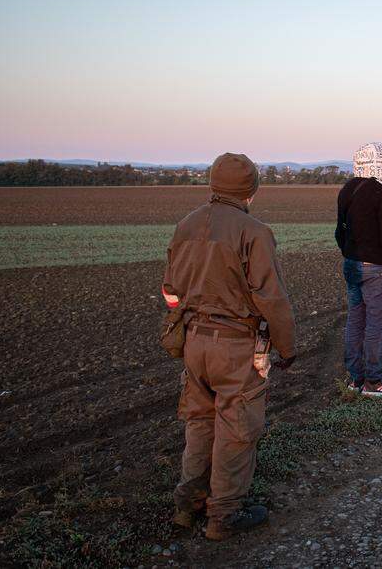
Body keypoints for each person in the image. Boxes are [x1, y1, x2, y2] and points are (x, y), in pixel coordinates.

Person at [162, 153, 296, 540]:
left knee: (200, 424)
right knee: (237, 427)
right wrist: (286, 347)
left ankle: (187, 507)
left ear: (212, 185)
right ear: (252, 190)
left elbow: (170, 290)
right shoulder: (254, 232)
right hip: (235, 345)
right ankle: (223, 516)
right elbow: (271, 299)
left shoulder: (185, 225)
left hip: (194, 342)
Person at [336, 142, 382, 398]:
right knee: (376, 324)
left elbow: (339, 231)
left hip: (351, 265)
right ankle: (374, 381)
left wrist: (349, 254)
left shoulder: (346, 189)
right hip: (375, 268)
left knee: (355, 320)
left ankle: (355, 378)